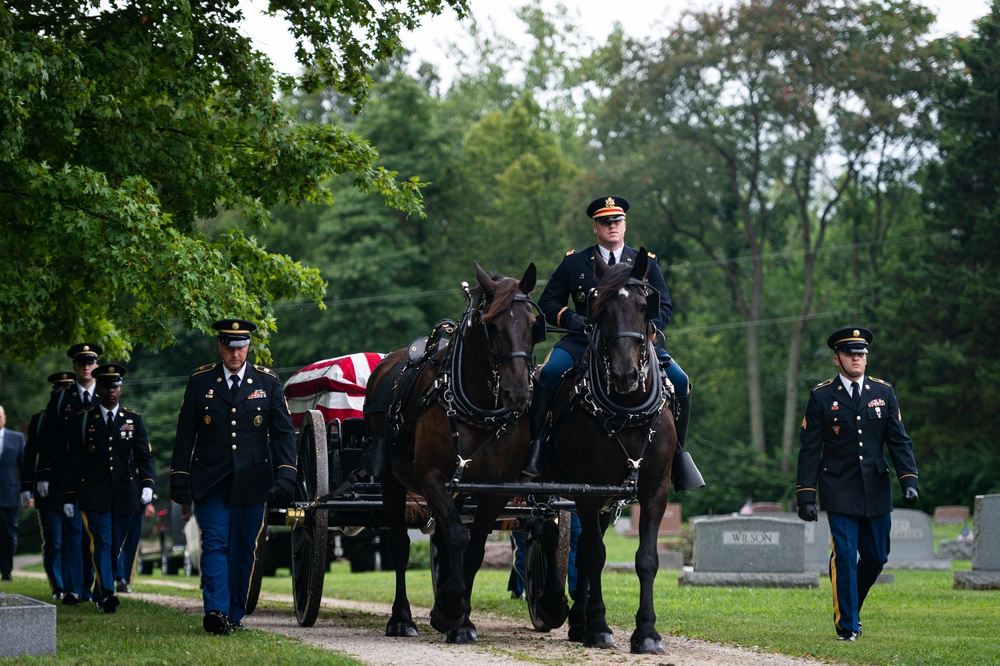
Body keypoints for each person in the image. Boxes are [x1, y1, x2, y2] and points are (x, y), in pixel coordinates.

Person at [521, 195, 703, 491]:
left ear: (625, 224)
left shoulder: (644, 263)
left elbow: (664, 306)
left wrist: (650, 327)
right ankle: (537, 446)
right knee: (548, 373)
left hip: (635, 344)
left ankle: (679, 455)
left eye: (617, 221)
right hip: (584, 341)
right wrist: (570, 319)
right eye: (605, 222)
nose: (612, 226)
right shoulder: (575, 262)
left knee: (680, 382)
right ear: (595, 227)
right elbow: (548, 302)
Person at [170, 319, 297, 635]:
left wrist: (286, 475)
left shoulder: (266, 382)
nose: (235, 353)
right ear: (220, 346)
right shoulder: (201, 382)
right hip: (211, 479)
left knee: (244, 548)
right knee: (214, 542)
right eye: (229, 346)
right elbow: (185, 435)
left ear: (248, 347)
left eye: (241, 346)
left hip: (253, 482)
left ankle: (235, 612)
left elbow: (282, 434)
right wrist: (179, 478)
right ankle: (215, 610)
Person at [796, 326, 919, 642]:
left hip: (876, 487)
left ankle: (852, 606)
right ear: (837, 358)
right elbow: (810, 449)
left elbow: (898, 440)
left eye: (861, 353)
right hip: (838, 488)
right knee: (846, 555)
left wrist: (909, 479)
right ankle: (847, 625)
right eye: (850, 353)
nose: (856, 358)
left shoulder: (883, 392)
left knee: (877, 556)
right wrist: (806, 496)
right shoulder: (822, 396)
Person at [62, 363, 155, 613]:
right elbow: (73, 462)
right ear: (99, 390)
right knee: (102, 541)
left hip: (124, 494)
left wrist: (147, 484)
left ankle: (98, 589)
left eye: (115, 386)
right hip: (93, 494)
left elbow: (144, 457)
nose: (111, 390)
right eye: (106, 386)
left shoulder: (133, 419)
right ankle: (106, 593)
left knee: (114, 545)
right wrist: (69, 496)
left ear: (120, 389)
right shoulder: (83, 420)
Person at [37, 343, 103, 605]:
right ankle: (76, 589)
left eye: (91, 362)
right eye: (81, 363)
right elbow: (48, 439)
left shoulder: (106, 392)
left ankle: (96, 587)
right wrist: (43, 474)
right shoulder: (62, 399)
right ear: (75, 367)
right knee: (74, 531)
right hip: (70, 476)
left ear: (96, 365)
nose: (86, 367)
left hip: (98, 477)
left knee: (96, 534)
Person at [20, 371, 77, 598]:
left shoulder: (79, 415)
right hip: (48, 488)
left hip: (73, 486)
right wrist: (26, 485)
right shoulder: (40, 419)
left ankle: (73, 585)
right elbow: (30, 453)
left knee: (73, 540)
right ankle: (59, 587)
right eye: (58, 392)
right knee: (54, 540)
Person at [0, 404, 28, 582]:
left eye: (1, 416)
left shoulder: (17, 438)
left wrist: (28, 493)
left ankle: (7, 571)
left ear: (4, 417)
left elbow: (24, 467)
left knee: (9, 536)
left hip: (9, 495)